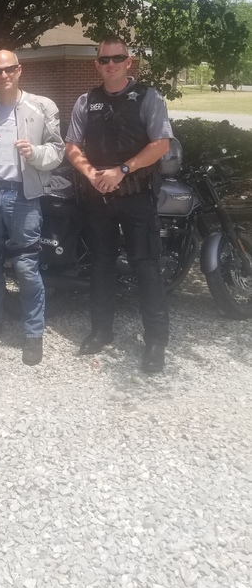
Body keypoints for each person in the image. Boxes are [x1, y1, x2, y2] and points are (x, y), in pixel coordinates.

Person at [65, 36, 173, 374]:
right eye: (104, 59)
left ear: (129, 61)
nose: (110, 64)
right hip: (99, 197)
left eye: (117, 58)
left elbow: (161, 144)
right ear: (96, 64)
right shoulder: (86, 101)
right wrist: (90, 172)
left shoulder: (149, 97)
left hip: (137, 195)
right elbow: (72, 146)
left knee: (145, 265)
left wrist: (122, 170)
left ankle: (155, 341)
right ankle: (101, 331)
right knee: (101, 264)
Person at [0, 50, 65, 366]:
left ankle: (33, 334)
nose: (3, 75)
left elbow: (58, 151)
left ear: (19, 71)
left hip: (23, 196)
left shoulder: (42, 107)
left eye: (9, 69)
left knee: (26, 266)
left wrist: (35, 153)